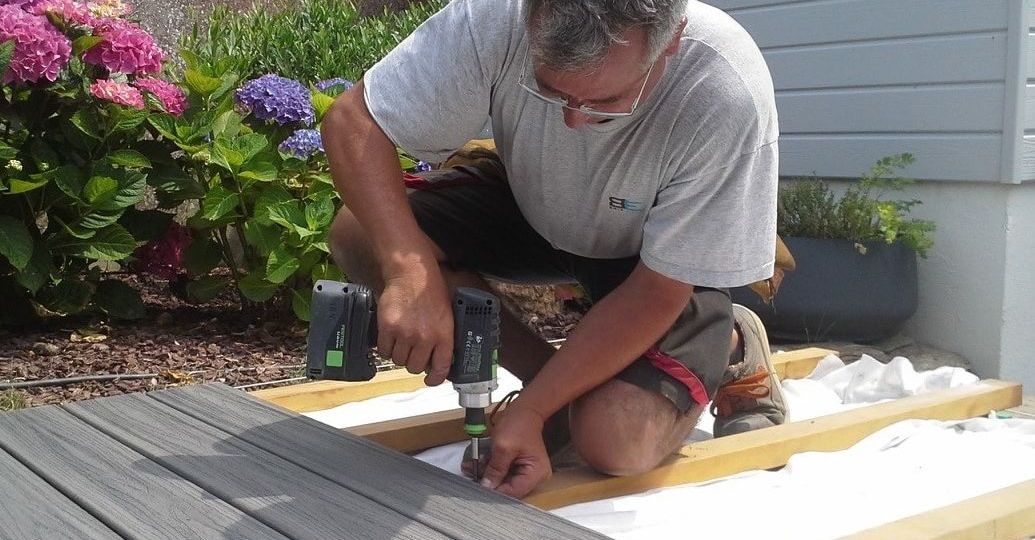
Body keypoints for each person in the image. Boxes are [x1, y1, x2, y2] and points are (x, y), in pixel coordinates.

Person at [323, 0, 787, 499]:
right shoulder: (497, 16)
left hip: (649, 260)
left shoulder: (722, 86)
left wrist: (532, 411)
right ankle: (557, 388)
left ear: (670, 40)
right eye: (549, 90)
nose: (572, 122)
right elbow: (353, 122)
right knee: (361, 233)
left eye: (606, 102)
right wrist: (408, 272)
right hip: (530, 202)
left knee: (616, 442)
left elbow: (656, 293)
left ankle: (731, 340)